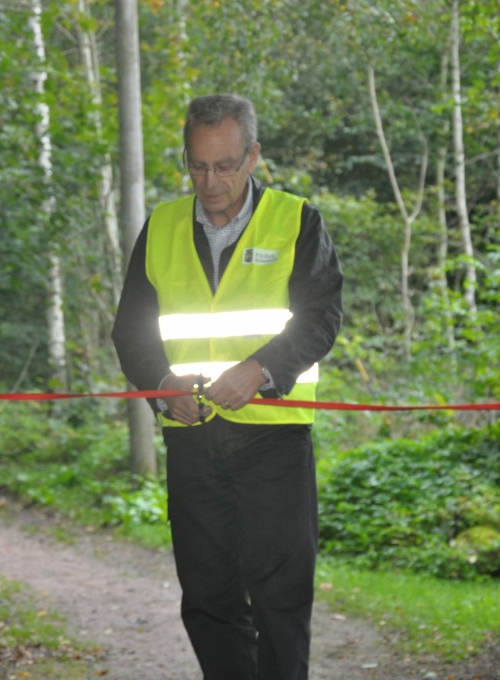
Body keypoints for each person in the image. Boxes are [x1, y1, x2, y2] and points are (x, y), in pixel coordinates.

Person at [111, 93, 343, 680]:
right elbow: (130, 331)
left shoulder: (296, 219)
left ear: (253, 157)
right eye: (197, 166)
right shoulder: (161, 226)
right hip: (191, 444)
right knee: (208, 603)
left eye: (225, 166)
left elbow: (321, 317)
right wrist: (162, 382)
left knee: (280, 601)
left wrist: (261, 369)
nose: (210, 182)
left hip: (274, 442)